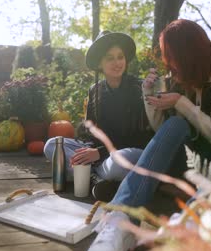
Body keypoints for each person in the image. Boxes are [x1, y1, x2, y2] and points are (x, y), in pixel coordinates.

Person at [85, 19, 211, 251]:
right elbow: (165, 133)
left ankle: (193, 221)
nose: (169, 63)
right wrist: (148, 95)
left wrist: (181, 103)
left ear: (188, 53)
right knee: (175, 125)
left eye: (171, 56)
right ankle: (121, 219)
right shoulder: (180, 80)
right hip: (190, 166)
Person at [44, 30, 153, 201]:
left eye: (120, 57)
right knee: (52, 145)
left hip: (126, 153)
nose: (117, 62)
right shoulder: (95, 91)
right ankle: (98, 180)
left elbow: (140, 138)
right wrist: (89, 150)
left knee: (120, 161)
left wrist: (99, 153)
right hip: (101, 157)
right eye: (110, 58)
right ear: (100, 63)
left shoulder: (138, 88)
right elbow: (91, 134)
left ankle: (87, 176)